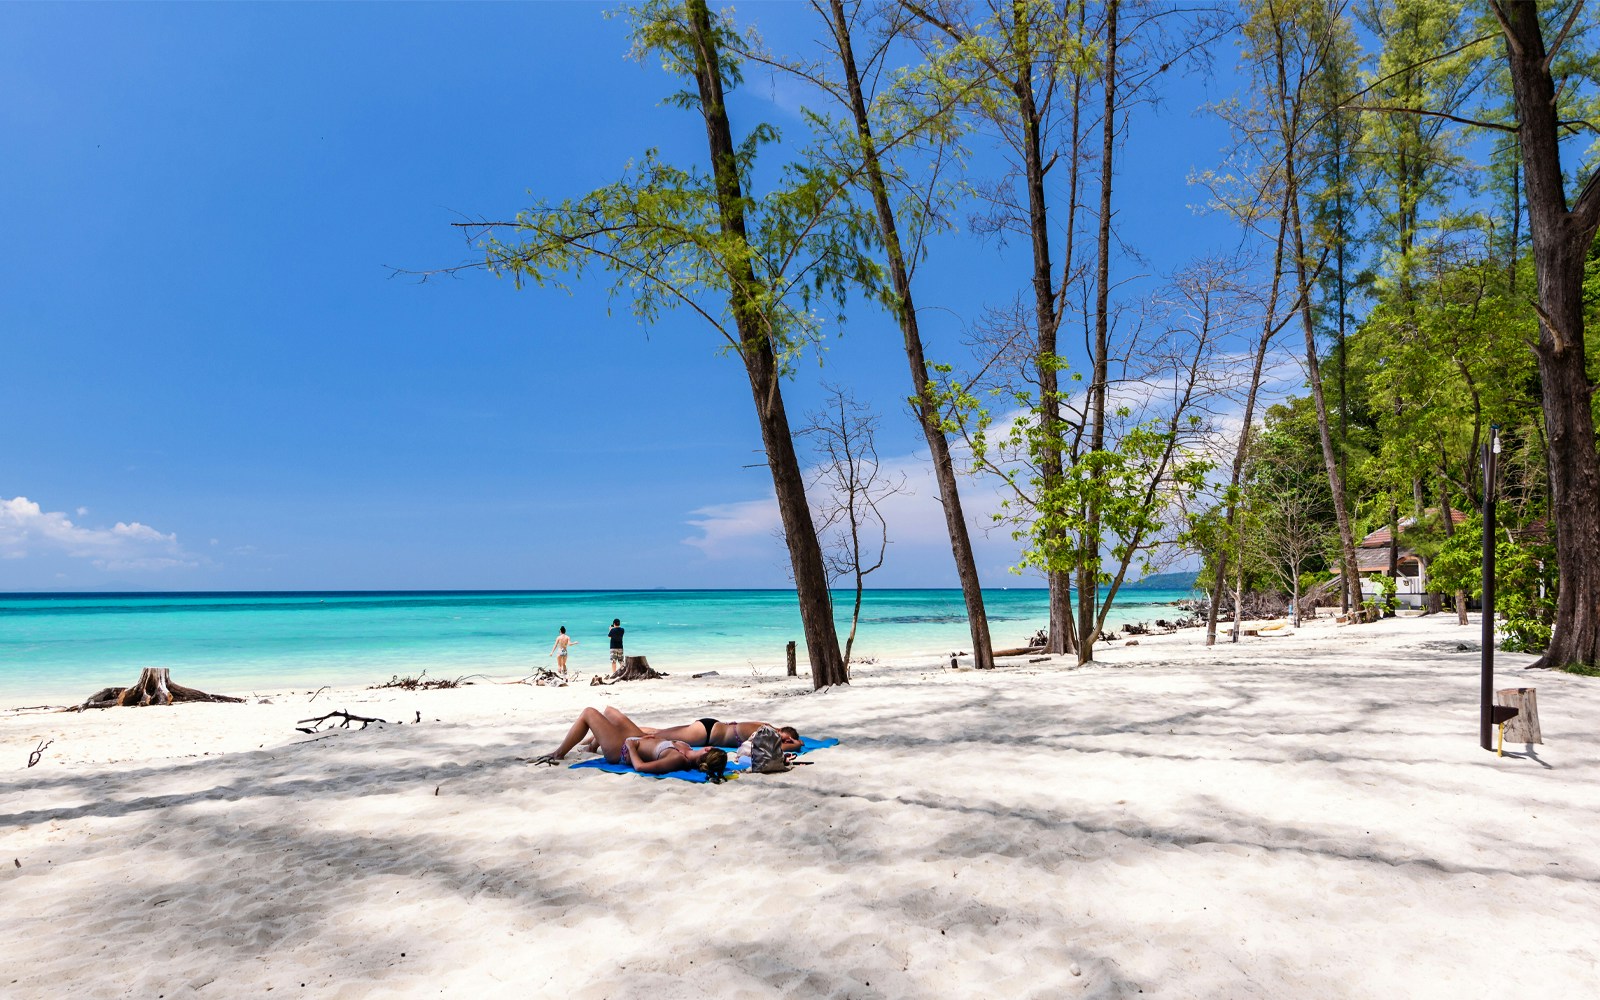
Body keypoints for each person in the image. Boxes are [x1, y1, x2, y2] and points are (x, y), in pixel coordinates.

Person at [531, 707, 728, 780]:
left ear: (708, 749)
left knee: (589, 713)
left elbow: (641, 767)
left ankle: (558, 753)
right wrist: (655, 740)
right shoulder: (687, 750)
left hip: (622, 749)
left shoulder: (677, 759)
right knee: (610, 712)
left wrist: (632, 748)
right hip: (639, 739)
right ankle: (591, 746)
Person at [579, 706, 802, 753]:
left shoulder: (767, 728)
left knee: (657, 732)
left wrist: (790, 739)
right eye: (786, 737)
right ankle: (602, 731)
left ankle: (598, 736)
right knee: (651, 736)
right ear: (782, 730)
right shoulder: (769, 731)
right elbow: (779, 745)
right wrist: (795, 742)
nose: (785, 741)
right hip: (704, 733)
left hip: (709, 727)